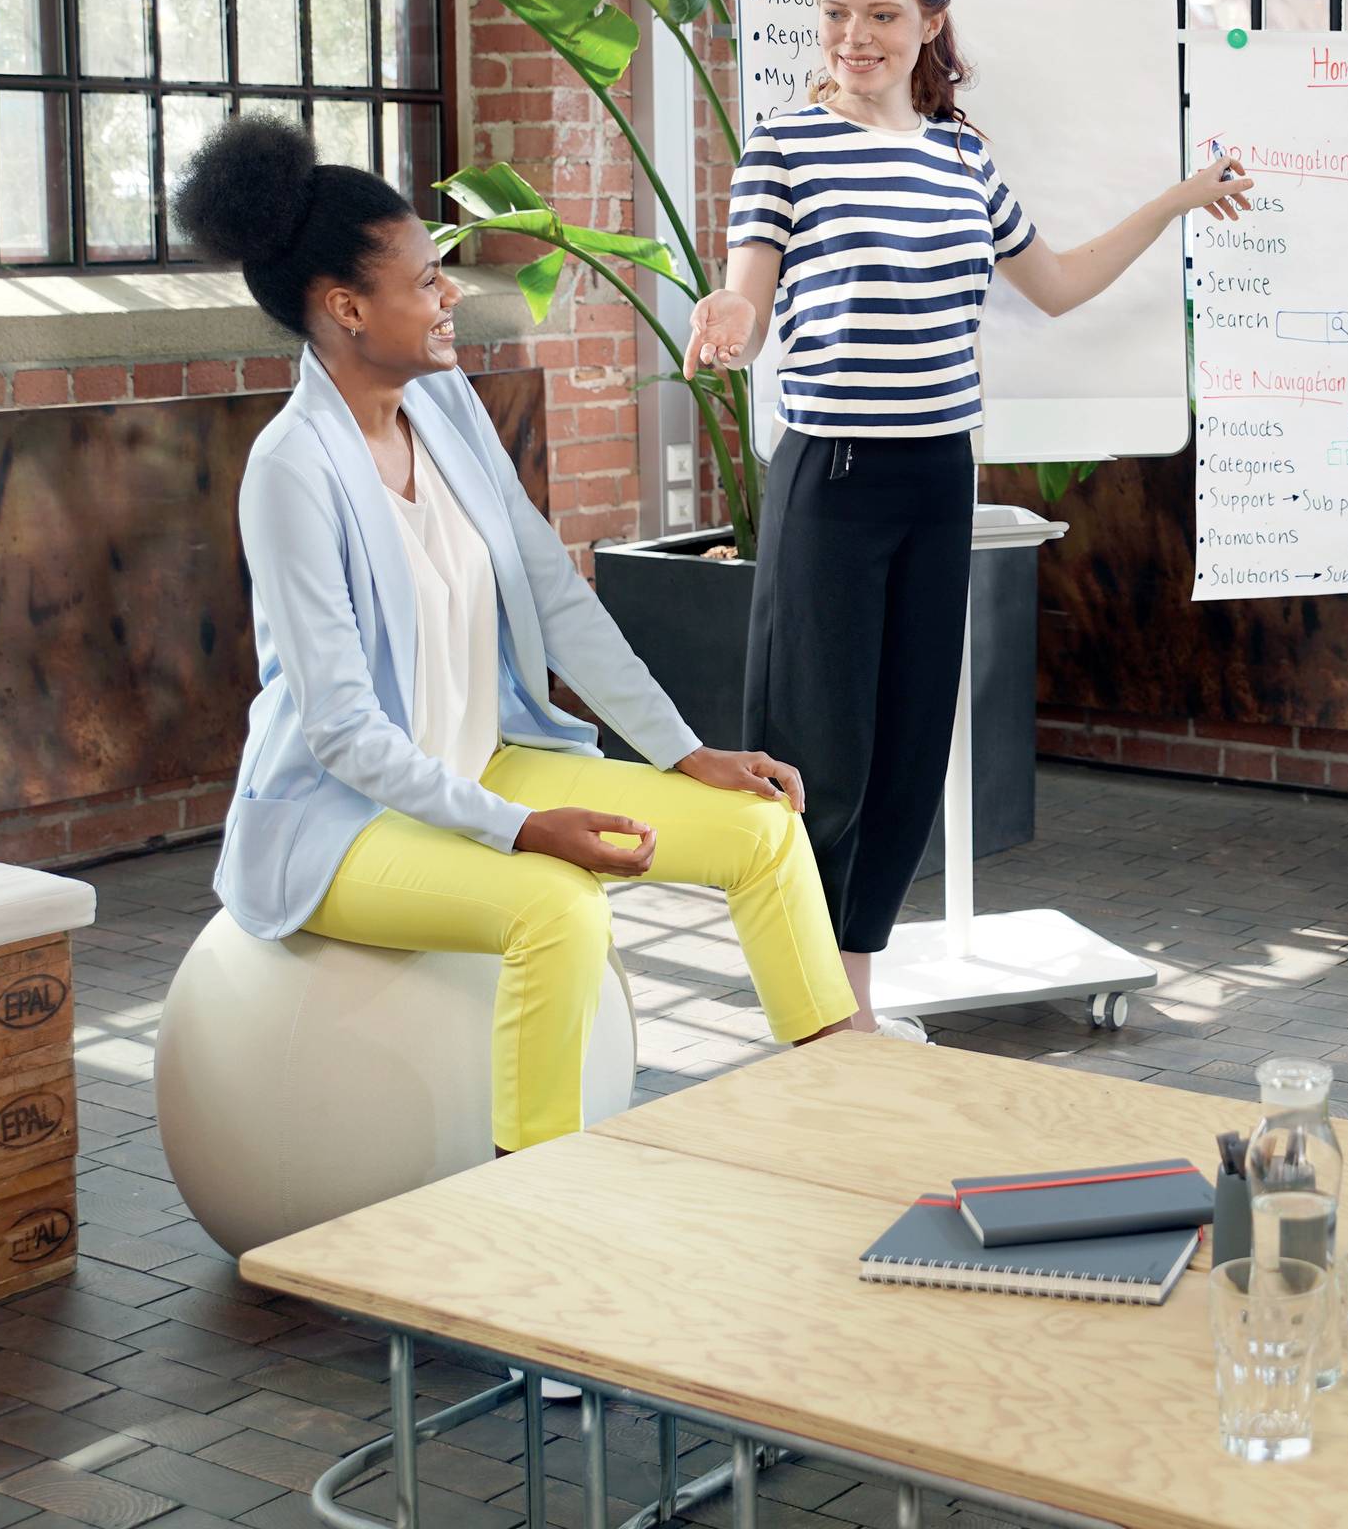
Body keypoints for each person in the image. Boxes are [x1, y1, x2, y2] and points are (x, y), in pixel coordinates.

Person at [180, 115, 865, 1166]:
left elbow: (552, 590)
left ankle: (841, 1123)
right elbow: (344, 733)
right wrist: (519, 827)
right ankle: (533, 1211)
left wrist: (685, 751)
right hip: (342, 821)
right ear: (346, 308)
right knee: (556, 906)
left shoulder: (442, 404)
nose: (449, 290)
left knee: (761, 827)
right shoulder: (293, 468)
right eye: (423, 277)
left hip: (484, 762)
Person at [687, 0, 1254, 1039]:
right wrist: (731, 314)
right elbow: (750, 285)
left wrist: (1179, 202)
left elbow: (1055, 283)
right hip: (833, 481)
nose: (856, 36)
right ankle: (800, 997)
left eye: (884, 14)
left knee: (903, 752)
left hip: (939, 478)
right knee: (819, 748)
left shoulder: (961, 156)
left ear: (930, 19)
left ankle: (848, 999)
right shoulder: (785, 147)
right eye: (837, 11)